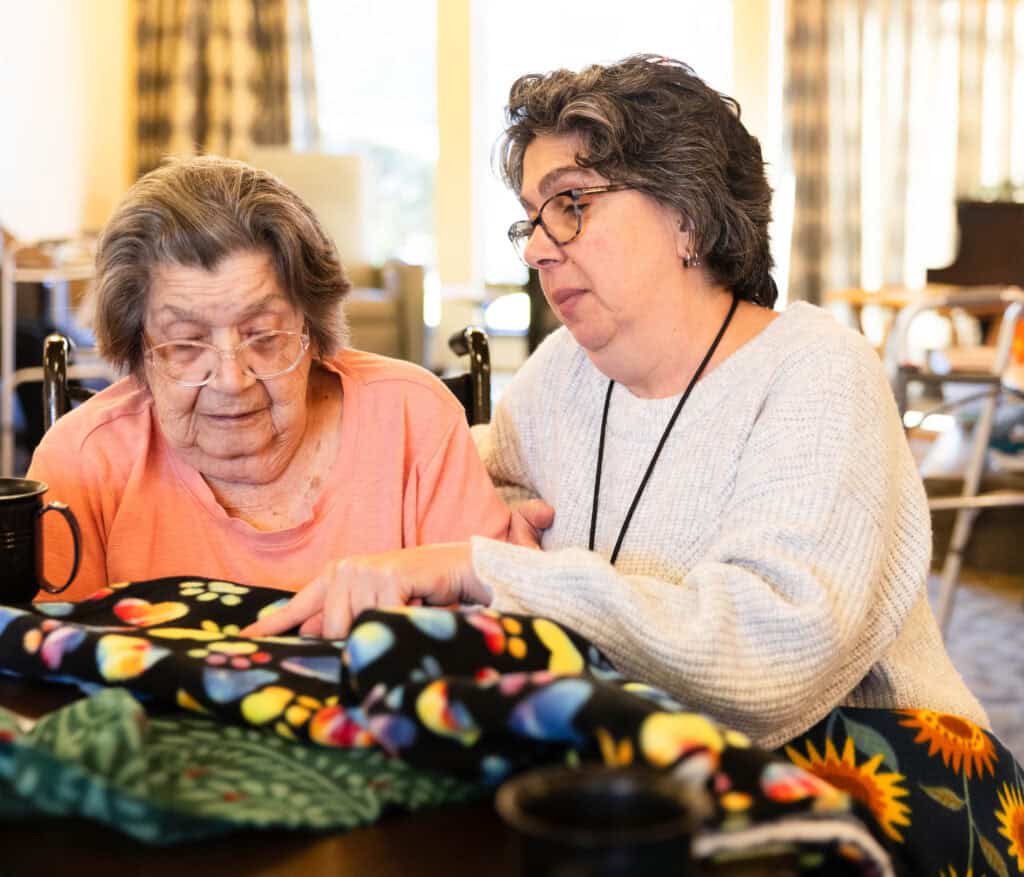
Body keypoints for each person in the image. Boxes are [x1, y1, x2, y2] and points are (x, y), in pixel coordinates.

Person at [246, 56, 987, 744]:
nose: (537, 248)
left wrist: (492, 571)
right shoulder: (564, 370)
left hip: (882, 786)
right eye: (530, 219)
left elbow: (770, 662)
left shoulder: (816, 370)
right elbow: (458, 481)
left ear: (687, 215)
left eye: (571, 204)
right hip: (648, 763)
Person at [28, 155, 511, 602]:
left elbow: (495, 630)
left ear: (311, 325)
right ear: (139, 351)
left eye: (263, 334)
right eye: (185, 344)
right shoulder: (83, 461)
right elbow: (43, 675)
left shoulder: (412, 417)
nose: (231, 380)